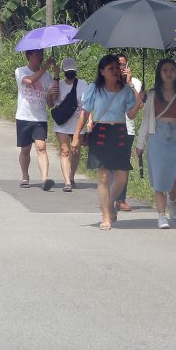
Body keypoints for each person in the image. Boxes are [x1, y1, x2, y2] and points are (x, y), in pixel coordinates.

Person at [73, 54, 144, 230]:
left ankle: (110, 202)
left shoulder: (126, 90)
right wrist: (76, 135)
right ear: (102, 71)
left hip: (119, 132)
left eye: (117, 68)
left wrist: (138, 101)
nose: (115, 71)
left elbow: (131, 114)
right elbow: (85, 113)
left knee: (121, 177)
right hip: (101, 132)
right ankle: (105, 215)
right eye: (110, 68)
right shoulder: (94, 89)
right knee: (104, 176)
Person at [134, 58, 176, 229]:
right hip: (157, 137)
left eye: (172, 70)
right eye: (165, 70)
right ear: (159, 74)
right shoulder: (153, 94)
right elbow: (146, 122)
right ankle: (161, 216)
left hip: (175, 136)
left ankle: (173, 200)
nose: (169, 73)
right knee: (160, 178)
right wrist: (140, 145)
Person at [16, 49, 57, 191]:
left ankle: (45, 179)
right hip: (24, 116)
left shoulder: (48, 77)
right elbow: (29, 81)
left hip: (40, 118)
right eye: (37, 54)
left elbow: (51, 103)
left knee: (41, 147)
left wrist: (56, 76)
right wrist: (45, 67)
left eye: (42, 54)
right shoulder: (20, 71)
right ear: (29, 56)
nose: (40, 57)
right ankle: (25, 176)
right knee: (25, 149)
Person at [52, 57, 88, 193]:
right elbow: (52, 101)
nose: (70, 73)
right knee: (65, 151)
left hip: (78, 123)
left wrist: (90, 121)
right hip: (62, 124)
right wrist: (55, 78)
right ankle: (67, 181)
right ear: (63, 71)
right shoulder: (58, 84)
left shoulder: (83, 84)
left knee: (76, 151)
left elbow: (88, 105)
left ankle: (72, 176)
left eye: (72, 71)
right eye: (67, 71)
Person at [113, 53, 143, 212]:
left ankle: (121, 199)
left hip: (128, 128)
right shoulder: (110, 82)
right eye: (118, 65)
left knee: (123, 165)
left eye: (123, 65)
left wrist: (130, 83)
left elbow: (140, 104)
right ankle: (111, 195)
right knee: (111, 165)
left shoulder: (135, 82)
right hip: (111, 127)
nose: (120, 68)